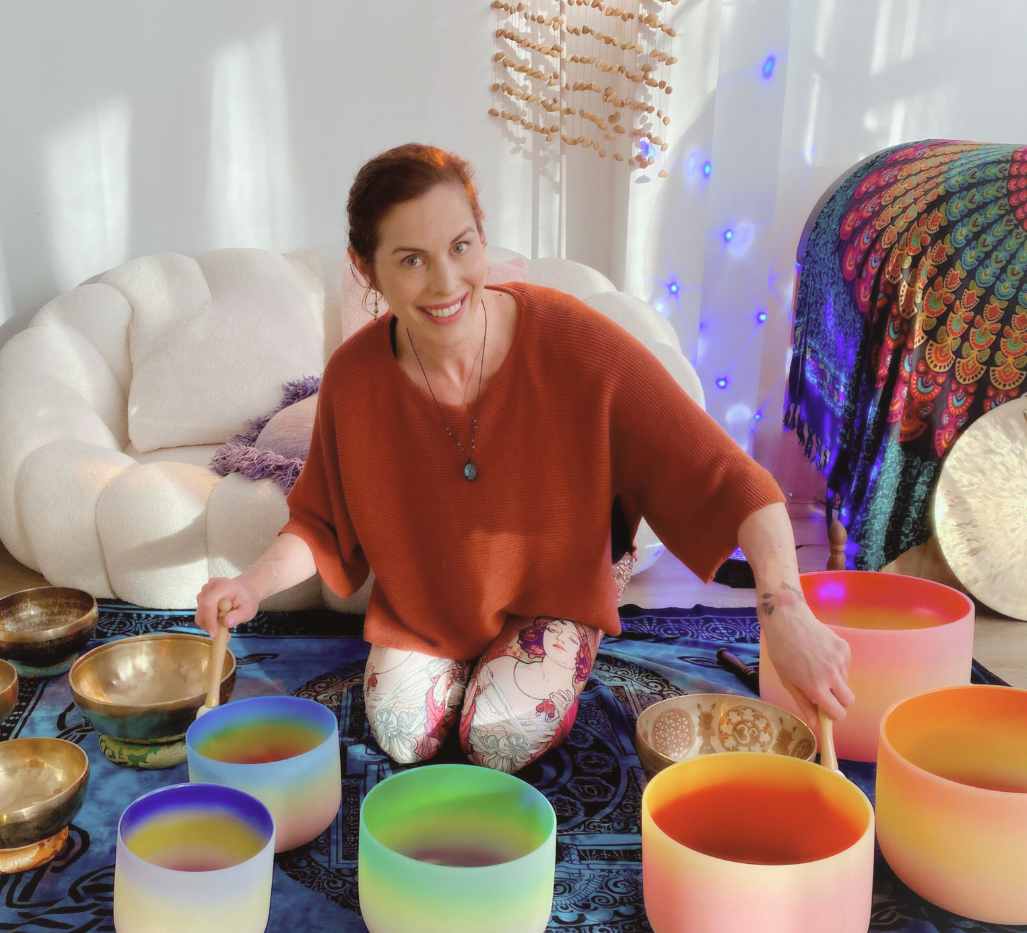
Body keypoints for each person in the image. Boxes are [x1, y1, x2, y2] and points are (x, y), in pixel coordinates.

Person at [196, 143, 853, 774]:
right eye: (411, 260)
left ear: (482, 237)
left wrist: (785, 612)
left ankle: (599, 586)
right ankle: (474, 660)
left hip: (555, 590)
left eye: (461, 246)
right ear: (366, 270)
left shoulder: (574, 339)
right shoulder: (353, 378)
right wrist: (248, 585)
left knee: (497, 741)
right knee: (402, 738)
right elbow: (319, 521)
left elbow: (733, 480)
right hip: (429, 603)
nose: (447, 281)